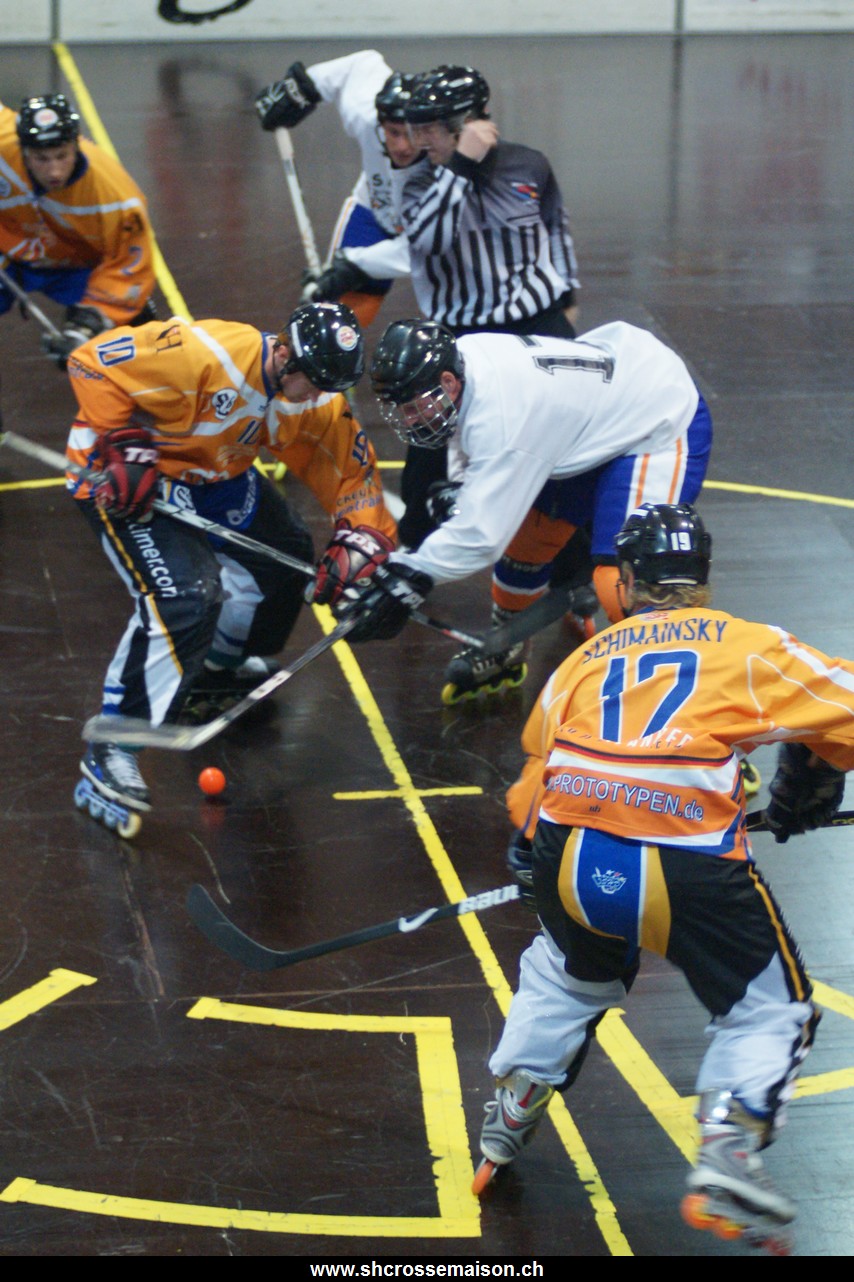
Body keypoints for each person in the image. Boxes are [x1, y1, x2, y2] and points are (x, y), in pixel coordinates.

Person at [471, 502, 853, 1254]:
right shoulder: (748, 645)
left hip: (569, 851)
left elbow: (536, 771)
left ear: (627, 581)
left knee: (568, 971)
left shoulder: (583, 660)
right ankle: (729, 1146)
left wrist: (529, 851)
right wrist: (815, 772)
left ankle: (513, 1101)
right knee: (767, 1009)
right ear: (702, 575)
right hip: (684, 864)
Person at [65, 302, 396, 835]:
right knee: (186, 596)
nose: (321, 397)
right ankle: (112, 746)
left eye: (332, 387)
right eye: (315, 382)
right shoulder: (202, 354)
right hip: (128, 477)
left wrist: (361, 535)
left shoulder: (314, 395)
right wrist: (121, 442)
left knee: (285, 563)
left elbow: (348, 467)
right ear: (284, 355)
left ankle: (217, 667)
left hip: (216, 475)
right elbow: (91, 361)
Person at [314, 318, 711, 706]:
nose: (410, 420)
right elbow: (466, 433)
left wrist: (409, 575)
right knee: (527, 546)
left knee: (626, 577)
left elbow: (481, 537)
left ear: (448, 383)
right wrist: (461, 486)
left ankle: (679, 696)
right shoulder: (462, 361)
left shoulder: (503, 417)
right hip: (586, 423)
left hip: (656, 416)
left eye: (415, 407)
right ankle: (509, 641)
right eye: (402, 410)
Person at [395, 64, 582, 550]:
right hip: (460, 332)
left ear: (466, 122)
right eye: (416, 128)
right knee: (427, 443)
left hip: (535, 322)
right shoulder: (416, 182)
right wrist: (459, 165)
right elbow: (431, 240)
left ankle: (575, 564)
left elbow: (555, 230)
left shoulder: (529, 165)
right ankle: (411, 552)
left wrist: (567, 298)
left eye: (430, 128)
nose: (419, 141)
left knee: (576, 430)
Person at [254, 50, 426, 330]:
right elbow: (362, 65)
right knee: (333, 321)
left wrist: (353, 265)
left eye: (413, 134)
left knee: (458, 316)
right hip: (375, 209)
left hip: (431, 235)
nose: (402, 147)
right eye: (394, 132)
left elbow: (428, 248)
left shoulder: (451, 170)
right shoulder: (365, 116)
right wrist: (299, 90)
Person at [0, 93, 156, 389]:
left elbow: (129, 268)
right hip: (10, 249)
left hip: (75, 264)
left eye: (62, 156)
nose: (54, 171)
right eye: (41, 159)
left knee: (123, 331)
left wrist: (83, 329)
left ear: (76, 144)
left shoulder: (119, 201)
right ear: (23, 150)